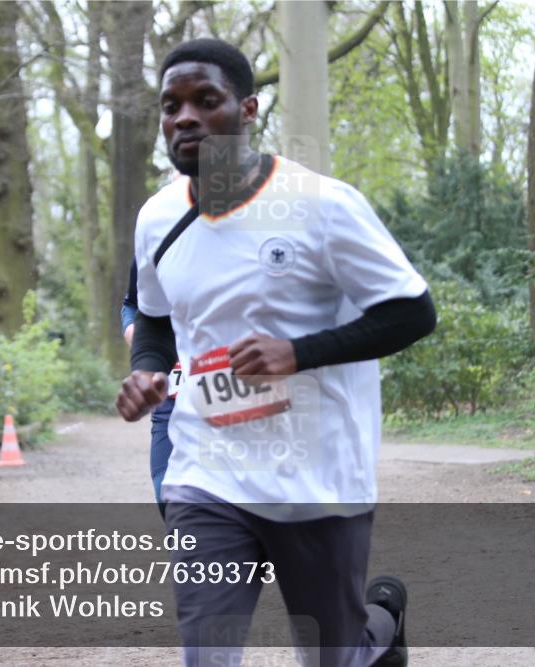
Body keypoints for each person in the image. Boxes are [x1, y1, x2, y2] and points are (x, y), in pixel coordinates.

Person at [115, 39, 436, 666]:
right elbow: (154, 321)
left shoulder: (323, 206)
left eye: (206, 101)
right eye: (171, 105)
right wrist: (147, 371)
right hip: (208, 471)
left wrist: (299, 352)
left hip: (317, 477)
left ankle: (377, 630)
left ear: (248, 109)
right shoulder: (156, 218)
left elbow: (413, 312)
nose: (184, 117)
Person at [121, 259, 179, 512]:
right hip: (173, 393)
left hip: (251, 399)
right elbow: (133, 303)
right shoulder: (158, 225)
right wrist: (136, 334)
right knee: (166, 495)